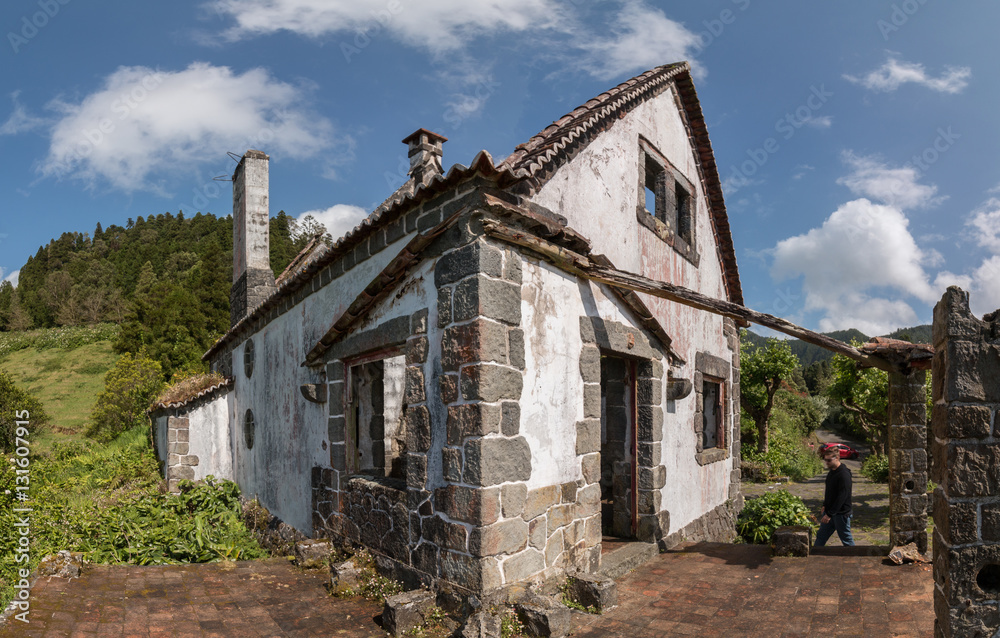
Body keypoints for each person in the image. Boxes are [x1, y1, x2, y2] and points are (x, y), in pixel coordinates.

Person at [815, 445, 854, 546]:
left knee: (846, 539)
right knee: (821, 536)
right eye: (825, 460)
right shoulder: (831, 472)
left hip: (841, 514)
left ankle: (854, 558)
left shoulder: (844, 474)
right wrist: (825, 505)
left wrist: (830, 514)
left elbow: (842, 497)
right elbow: (829, 492)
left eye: (828, 460)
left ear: (836, 458)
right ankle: (815, 555)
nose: (826, 463)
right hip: (830, 512)